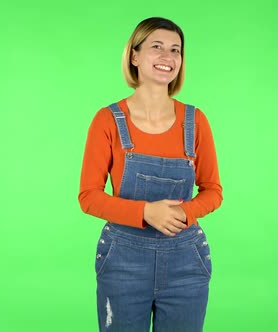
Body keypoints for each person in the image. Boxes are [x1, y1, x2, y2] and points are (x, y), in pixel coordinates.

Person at [78, 17, 223, 332]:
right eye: (156, 47)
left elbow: (213, 190)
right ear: (134, 55)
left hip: (187, 262)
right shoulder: (107, 121)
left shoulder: (195, 121)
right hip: (122, 263)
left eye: (175, 50)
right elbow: (89, 197)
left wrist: (183, 212)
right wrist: (145, 212)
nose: (167, 57)